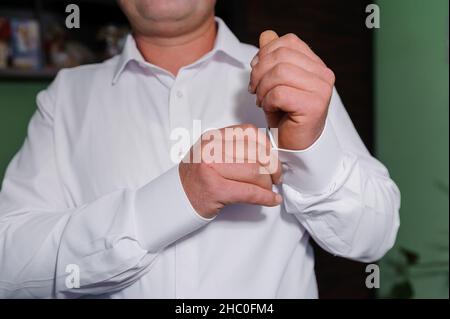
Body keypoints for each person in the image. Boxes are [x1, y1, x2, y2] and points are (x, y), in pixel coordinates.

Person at [0, 0, 400, 298]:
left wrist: (308, 148)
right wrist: (179, 197)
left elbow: (374, 236)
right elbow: (10, 269)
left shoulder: (292, 79)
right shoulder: (66, 97)